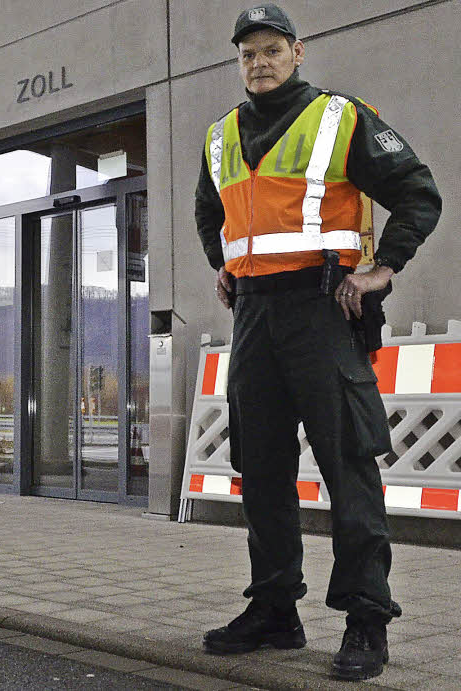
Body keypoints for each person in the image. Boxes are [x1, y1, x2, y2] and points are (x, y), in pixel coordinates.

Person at [194, 4, 441, 682]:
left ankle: (367, 619)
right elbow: (208, 210)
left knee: (349, 465)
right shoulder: (219, 135)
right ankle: (276, 610)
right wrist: (225, 264)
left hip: (325, 308)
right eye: (248, 52)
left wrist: (382, 267)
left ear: (297, 54)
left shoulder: (339, 117)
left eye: (272, 48)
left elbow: (418, 192)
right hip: (254, 318)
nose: (260, 61)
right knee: (262, 469)